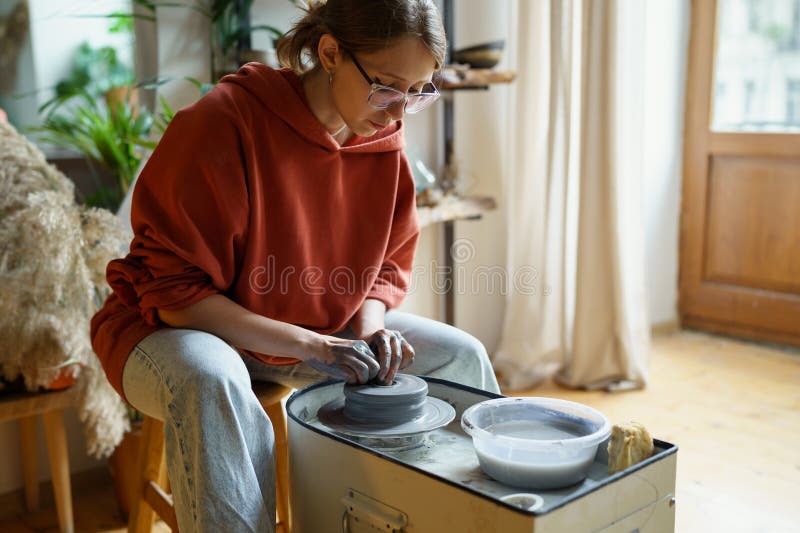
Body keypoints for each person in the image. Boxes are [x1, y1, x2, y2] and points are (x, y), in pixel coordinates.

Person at [91, 0, 500, 531]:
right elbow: (176, 296)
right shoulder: (226, 122)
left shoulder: (381, 142)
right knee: (214, 378)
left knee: (459, 359)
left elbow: (384, 268)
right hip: (170, 329)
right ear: (330, 53)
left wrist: (371, 329)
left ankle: (472, 521)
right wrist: (312, 344)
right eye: (388, 86)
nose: (399, 111)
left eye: (419, 92)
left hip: (312, 327)